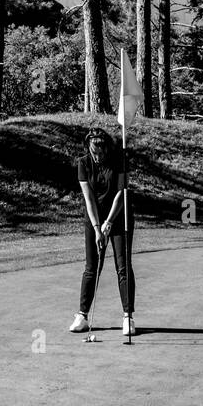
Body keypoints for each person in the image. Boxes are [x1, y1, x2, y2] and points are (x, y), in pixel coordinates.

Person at [69, 127, 135, 337]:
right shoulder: (83, 163)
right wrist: (98, 228)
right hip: (94, 219)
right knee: (91, 267)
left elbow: (121, 192)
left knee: (122, 266)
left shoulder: (120, 160)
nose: (97, 157)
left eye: (101, 152)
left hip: (119, 217)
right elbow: (88, 198)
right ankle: (82, 315)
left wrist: (109, 223)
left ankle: (128, 317)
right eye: (93, 152)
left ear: (107, 148)